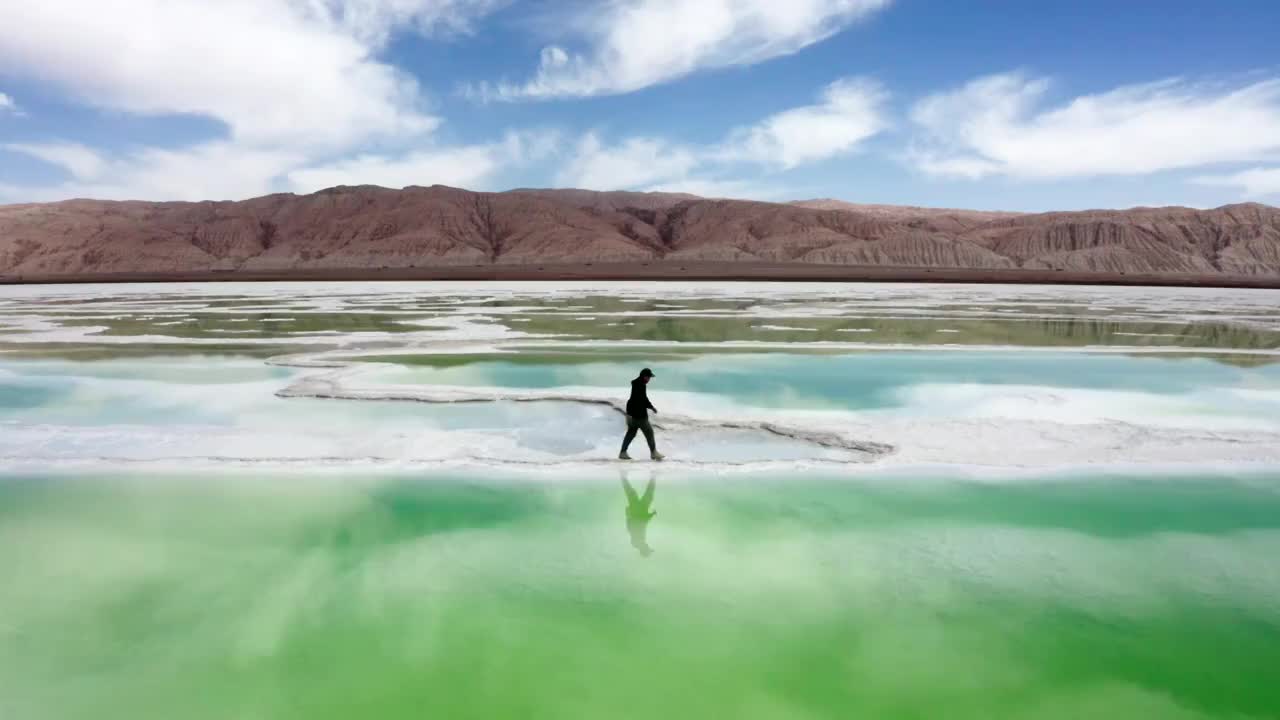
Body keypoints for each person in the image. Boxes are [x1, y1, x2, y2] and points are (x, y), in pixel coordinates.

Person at [619, 367, 664, 461]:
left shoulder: (636, 384)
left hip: (631, 415)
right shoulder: (640, 385)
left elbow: (636, 400)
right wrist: (651, 407)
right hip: (639, 416)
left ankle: (623, 452)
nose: (649, 380)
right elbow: (643, 399)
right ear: (644, 376)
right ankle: (654, 453)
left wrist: (629, 415)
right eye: (648, 377)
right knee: (649, 432)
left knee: (631, 433)